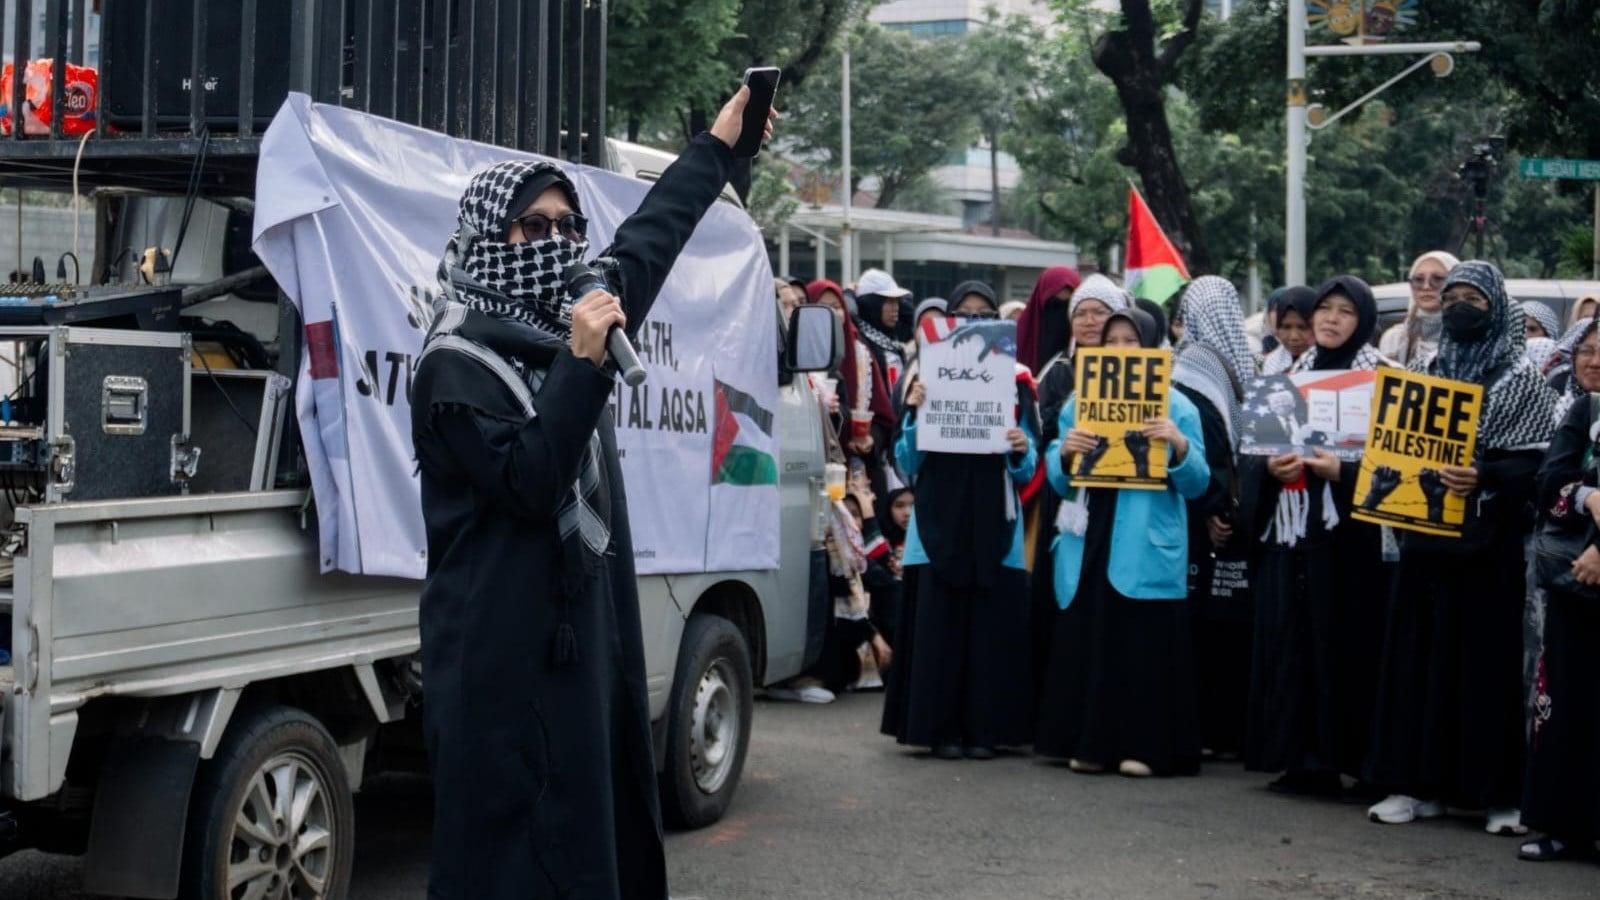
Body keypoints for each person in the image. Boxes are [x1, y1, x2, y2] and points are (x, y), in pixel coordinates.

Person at [411, 88, 770, 899]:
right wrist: (579, 365)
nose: (556, 243)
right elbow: (532, 482)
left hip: (582, 644)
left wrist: (719, 146)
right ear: (486, 237)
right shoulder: (455, 364)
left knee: (589, 845)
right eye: (532, 227)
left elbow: (649, 240)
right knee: (514, 861)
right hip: (500, 661)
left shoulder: (571, 315)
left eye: (568, 227)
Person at [1364, 261, 1556, 835]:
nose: (1459, 305)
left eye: (1473, 296)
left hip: (1486, 551)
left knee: (1484, 668)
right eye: (1452, 297)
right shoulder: (1423, 370)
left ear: (1496, 304)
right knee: (1418, 664)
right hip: (1425, 543)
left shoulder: (1522, 377)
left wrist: (1486, 475)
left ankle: (1496, 794)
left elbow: (1537, 464)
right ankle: (1417, 787)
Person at [1035, 307, 1210, 777]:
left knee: (1140, 644)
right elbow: (1055, 472)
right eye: (1111, 340)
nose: (1119, 349)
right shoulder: (1078, 402)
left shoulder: (1177, 405)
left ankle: (1145, 747)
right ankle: (1088, 743)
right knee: (1089, 634)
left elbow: (1199, 483)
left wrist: (1178, 445)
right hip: (1088, 535)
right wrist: (1064, 451)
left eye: (1130, 340)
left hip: (1144, 542)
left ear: (1150, 347)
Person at [880, 282, 1039, 761]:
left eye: (983, 313)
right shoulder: (924, 376)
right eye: (962, 313)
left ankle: (985, 730)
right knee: (940, 629)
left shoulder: (1018, 380)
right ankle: (939, 728)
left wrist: (1019, 448)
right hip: (936, 523)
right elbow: (907, 460)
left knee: (989, 631)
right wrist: (914, 412)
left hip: (996, 523)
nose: (972, 321)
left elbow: (1030, 466)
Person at [1243, 276, 1388, 796]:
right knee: (1293, 639)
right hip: (1292, 532)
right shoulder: (1284, 374)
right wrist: (1271, 471)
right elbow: (1253, 456)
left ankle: (1355, 761)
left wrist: (1341, 475)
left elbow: (1396, 466)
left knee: (1349, 642)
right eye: (1324, 309)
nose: (1329, 320)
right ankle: (1302, 758)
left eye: (1344, 312)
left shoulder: (1383, 379)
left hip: (1353, 543)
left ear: (1364, 321)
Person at [1520, 321, 1600, 862]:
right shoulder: (1585, 412)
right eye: (1587, 351)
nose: (1593, 361)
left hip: (1592, 562)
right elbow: (1550, 480)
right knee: (1568, 700)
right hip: (1578, 586)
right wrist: (1588, 496)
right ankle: (1562, 825)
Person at [1171, 275, 1260, 760]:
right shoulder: (1198, 369)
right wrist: (1216, 508)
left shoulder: (1230, 368)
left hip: (1216, 515)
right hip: (1206, 516)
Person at [1378, 250, 1460, 365]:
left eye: (1437, 279)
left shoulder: (1471, 342)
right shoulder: (1394, 339)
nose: (1426, 286)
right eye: (1418, 280)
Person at [854, 268, 913, 392]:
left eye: (897, 302)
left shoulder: (893, 343)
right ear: (872, 305)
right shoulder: (861, 345)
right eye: (890, 302)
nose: (896, 308)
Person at [1260, 286, 1317, 375]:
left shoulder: (1331, 363)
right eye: (1286, 327)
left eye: (1303, 327)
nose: (1294, 337)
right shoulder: (1271, 363)